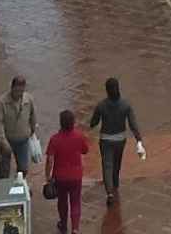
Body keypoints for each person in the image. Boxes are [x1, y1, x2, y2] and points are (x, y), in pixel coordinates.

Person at [88, 77, 145, 206]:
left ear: (107, 90)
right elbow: (133, 125)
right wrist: (139, 140)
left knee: (107, 165)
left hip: (105, 139)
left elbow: (93, 123)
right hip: (120, 139)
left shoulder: (101, 105)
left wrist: (92, 122)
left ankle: (109, 193)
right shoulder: (126, 105)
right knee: (117, 162)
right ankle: (115, 183)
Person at [44, 109, 90, 234]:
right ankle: (75, 228)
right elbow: (85, 150)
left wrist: (47, 176)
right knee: (75, 202)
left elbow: (50, 160)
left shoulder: (55, 139)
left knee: (62, 202)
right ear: (73, 122)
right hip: (76, 176)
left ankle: (63, 224)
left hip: (60, 177)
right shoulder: (78, 136)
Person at [0, 76, 37, 180]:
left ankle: (18, 186)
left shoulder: (28, 99)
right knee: (4, 171)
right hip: (6, 141)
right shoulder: (1, 102)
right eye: (17, 91)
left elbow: (33, 116)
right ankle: (5, 192)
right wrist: (3, 142)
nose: (19, 94)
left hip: (23, 141)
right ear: (12, 88)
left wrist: (33, 130)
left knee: (24, 169)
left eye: (22, 91)